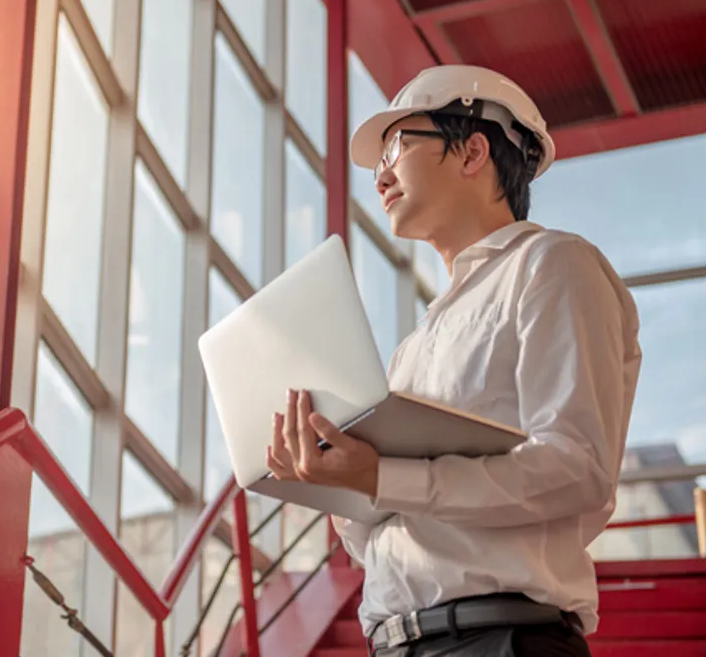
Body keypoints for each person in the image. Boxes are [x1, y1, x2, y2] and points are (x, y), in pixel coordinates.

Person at [265, 64, 642, 656]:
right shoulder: (414, 345)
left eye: (397, 145)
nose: (380, 175)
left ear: (472, 151)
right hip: (397, 641)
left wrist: (383, 477)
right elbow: (389, 532)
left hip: (502, 639)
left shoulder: (552, 266)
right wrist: (336, 482)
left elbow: (577, 468)